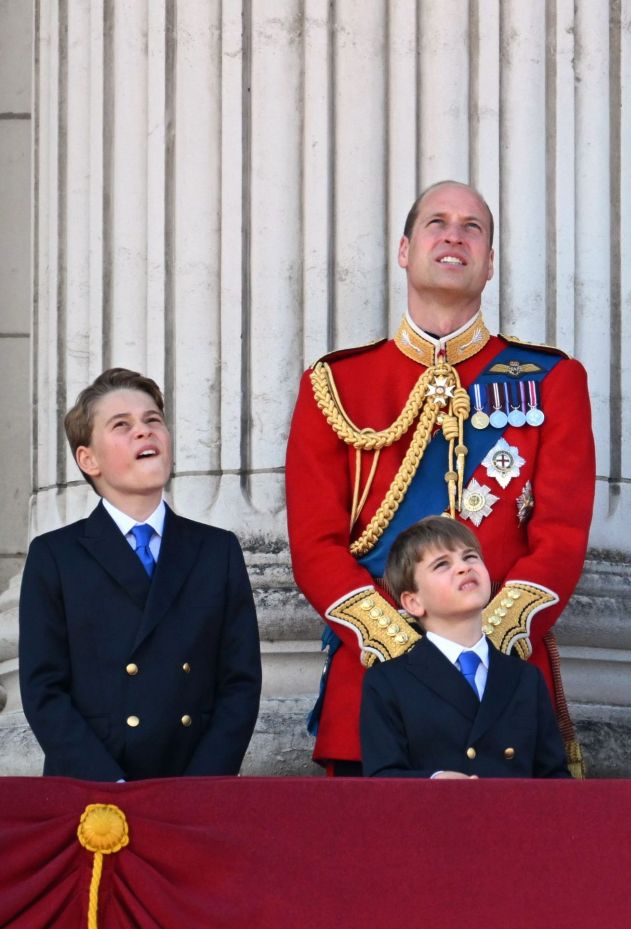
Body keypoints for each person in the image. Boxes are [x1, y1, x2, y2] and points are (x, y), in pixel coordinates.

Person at [286, 180, 595, 776]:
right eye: (437, 222)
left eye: (472, 226)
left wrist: (485, 638)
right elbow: (314, 545)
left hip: (501, 687)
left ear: (490, 263)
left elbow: (560, 536)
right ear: (405, 250)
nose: (454, 234)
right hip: (374, 681)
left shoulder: (553, 379)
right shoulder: (335, 385)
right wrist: (406, 652)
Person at [19, 368, 262, 781]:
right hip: (93, 794)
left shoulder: (216, 550)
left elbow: (239, 684)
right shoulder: (55, 556)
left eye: (153, 420)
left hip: (193, 791)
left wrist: (200, 786)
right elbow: (44, 691)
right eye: (122, 425)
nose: (144, 432)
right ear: (88, 459)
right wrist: (111, 787)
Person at [360, 516, 570, 778]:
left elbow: (554, 780)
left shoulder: (526, 678)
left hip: (514, 817)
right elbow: (381, 779)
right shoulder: (388, 681)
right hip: (433, 817)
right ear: (413, 602)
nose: (463, 568)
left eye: (470, 557)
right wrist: (433, 782)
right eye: (442, 565)